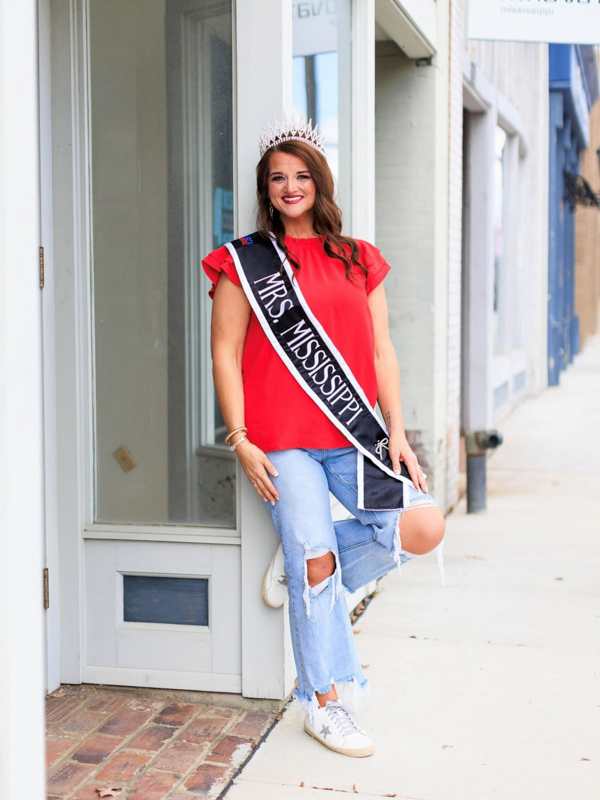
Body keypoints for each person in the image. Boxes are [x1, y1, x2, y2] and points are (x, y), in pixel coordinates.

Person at [202, 114, 445, 758]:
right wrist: (240, 436)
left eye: (301, 175)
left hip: (352, 433)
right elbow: (224, 353)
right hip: (280, 441)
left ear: (320, 182)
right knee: (316, 559)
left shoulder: (358, 257)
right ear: (266, 187)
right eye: (278, 177)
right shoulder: (243, 262)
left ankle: (311, 561)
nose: (290, 186)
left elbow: (382, 349)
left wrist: (398, 431)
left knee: (421, 526)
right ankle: (324, 701)